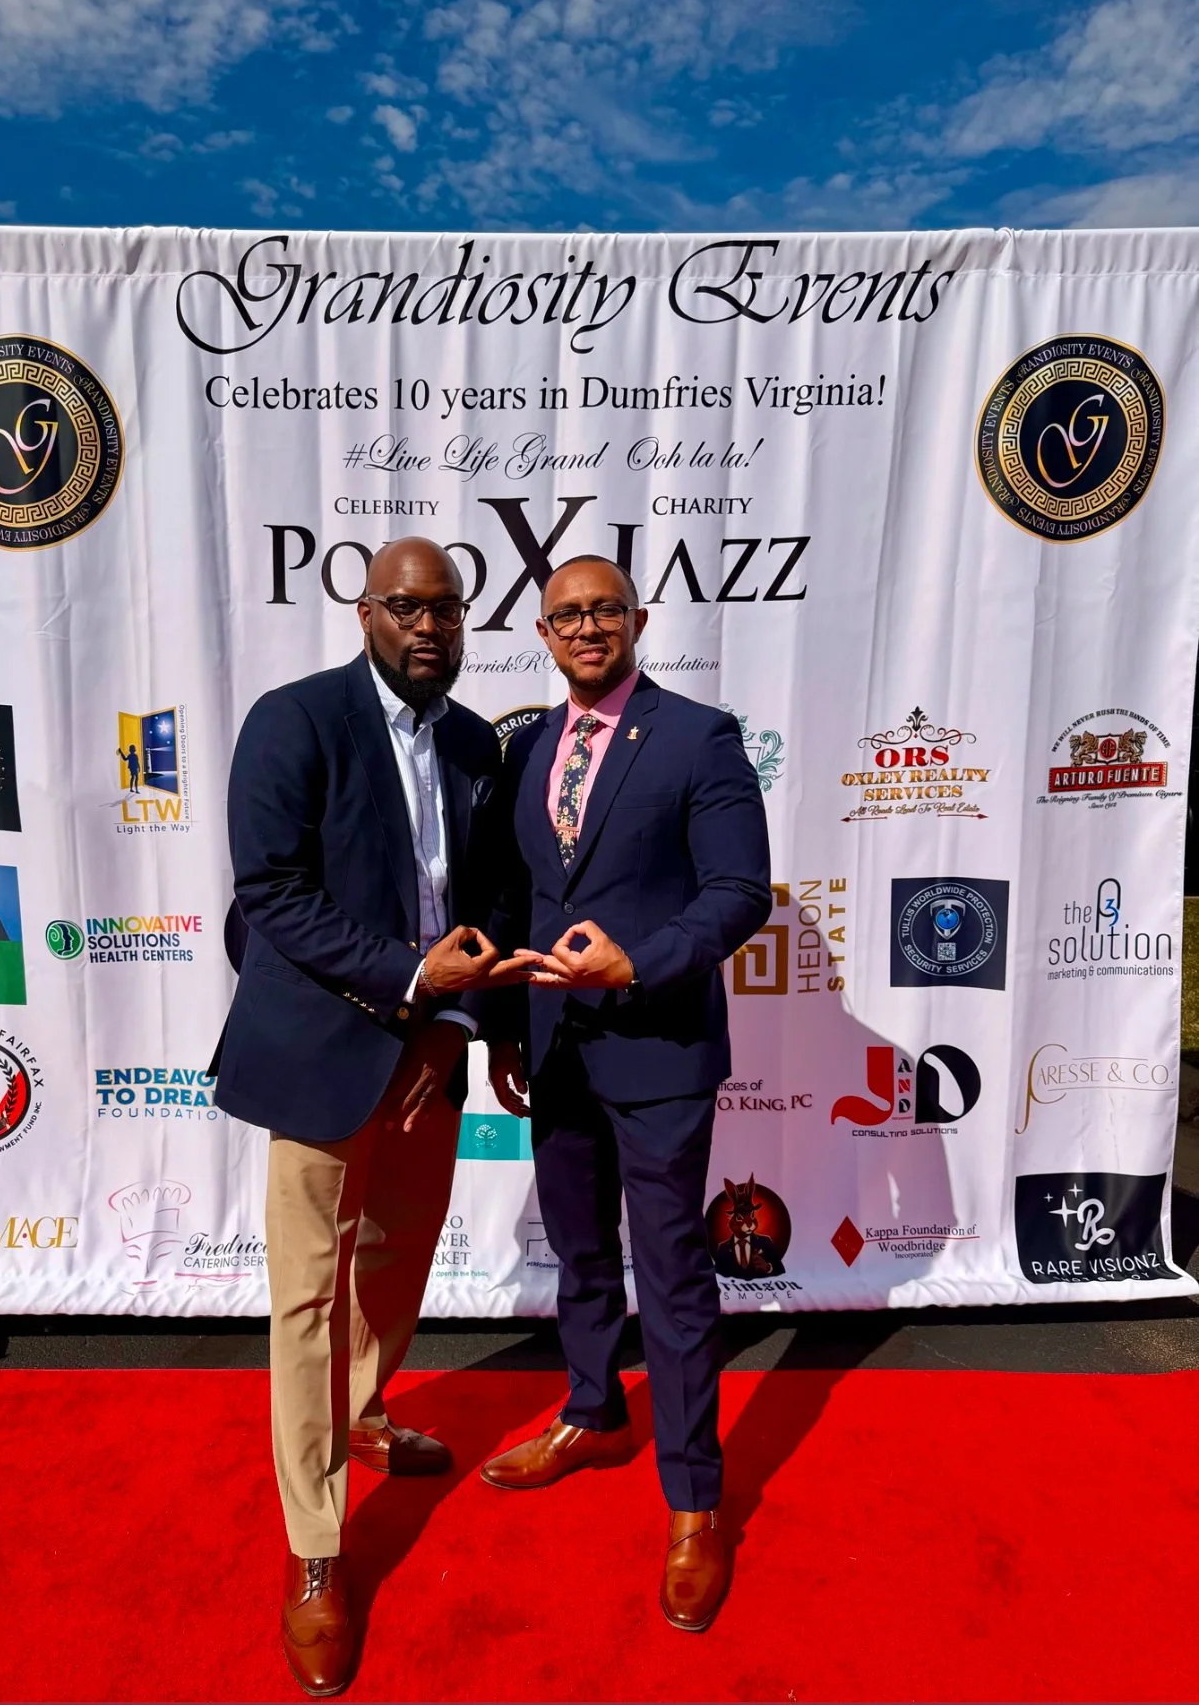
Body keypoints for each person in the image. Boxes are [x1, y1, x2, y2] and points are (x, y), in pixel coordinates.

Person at [211, 537, 517, 1698]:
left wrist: (453, 1022)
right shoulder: (294, 722)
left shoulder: (479, 742)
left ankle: (364, 1415)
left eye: (446, 609)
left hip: (429, 1049)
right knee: (305, 1297)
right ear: (365, 611)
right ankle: (316, 1548)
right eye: (406, 607)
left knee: (393, 1265)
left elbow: (486, 900)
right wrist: (409, 978)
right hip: (320, 1044)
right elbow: (272, 895)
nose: (429, 627)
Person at [479, 555, 772, 1633]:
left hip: (656, 1046)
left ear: (637, 620)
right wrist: (509, 1026)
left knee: (673, 1275)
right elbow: (518, 897)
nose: (586, 628)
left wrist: (639, 961)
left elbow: (740, 892)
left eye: (604, 609)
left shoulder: (700, 736)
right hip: (556, 1049)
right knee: (580, 1254)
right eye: (566, 616)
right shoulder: (525, 749)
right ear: (544, 635)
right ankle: (595, 1412)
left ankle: (695, 1500)